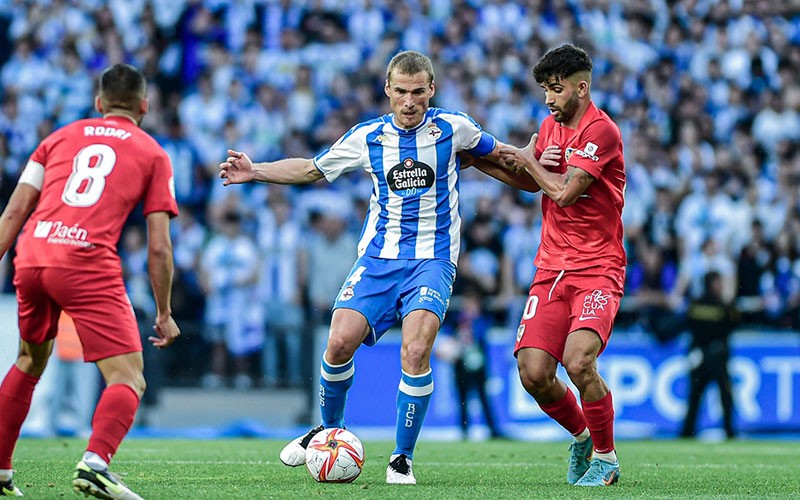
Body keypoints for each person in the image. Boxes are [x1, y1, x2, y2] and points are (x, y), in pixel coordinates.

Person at [219, 50, 535, 485]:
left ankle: (401, 458)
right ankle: (330, 432)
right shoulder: (367, 137)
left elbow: (501, 155)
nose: (409, 102)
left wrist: (538, 163)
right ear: (388, 91)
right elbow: (312, 170)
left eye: (418, 92)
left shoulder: (454, 128)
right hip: (378, 259)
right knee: (337, 343)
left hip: (432, 258)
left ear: (431, 91)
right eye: (401, 92)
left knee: (416, 350)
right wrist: (255, 171)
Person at [0, 63, 180, 499]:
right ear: (144, 105)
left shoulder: (56, 138)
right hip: (85, 262)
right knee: (128, 377)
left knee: (28, 360)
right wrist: (163, 312)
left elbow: (12, 213)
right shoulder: (152, 152)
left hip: (33, 253)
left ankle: (0, 470)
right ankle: (96, 464)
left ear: (99, 103)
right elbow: (158, 247)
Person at [498, 44, 627, 487]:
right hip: (551, 268)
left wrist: (532, 162)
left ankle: (607, 461)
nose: (549, 99)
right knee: (533, 373)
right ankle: (583, 436)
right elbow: (537, 181)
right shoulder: (548, 128)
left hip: (597, 268)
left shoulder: (602, 131)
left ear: (581, 87)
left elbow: (565, 193)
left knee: (578, 361)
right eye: (545, 91)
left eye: (556, 89)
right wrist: (524, 163)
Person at [680, 271, 738, 439]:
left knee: (698, 397)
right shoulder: (723, 306)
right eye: (717, 283)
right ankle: (729, 432)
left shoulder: (696, 304)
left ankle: (687, 432)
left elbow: (689, 326)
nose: (719, 287)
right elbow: (732, 326)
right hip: (715, 357)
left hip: (704, 356)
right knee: (719, 396)